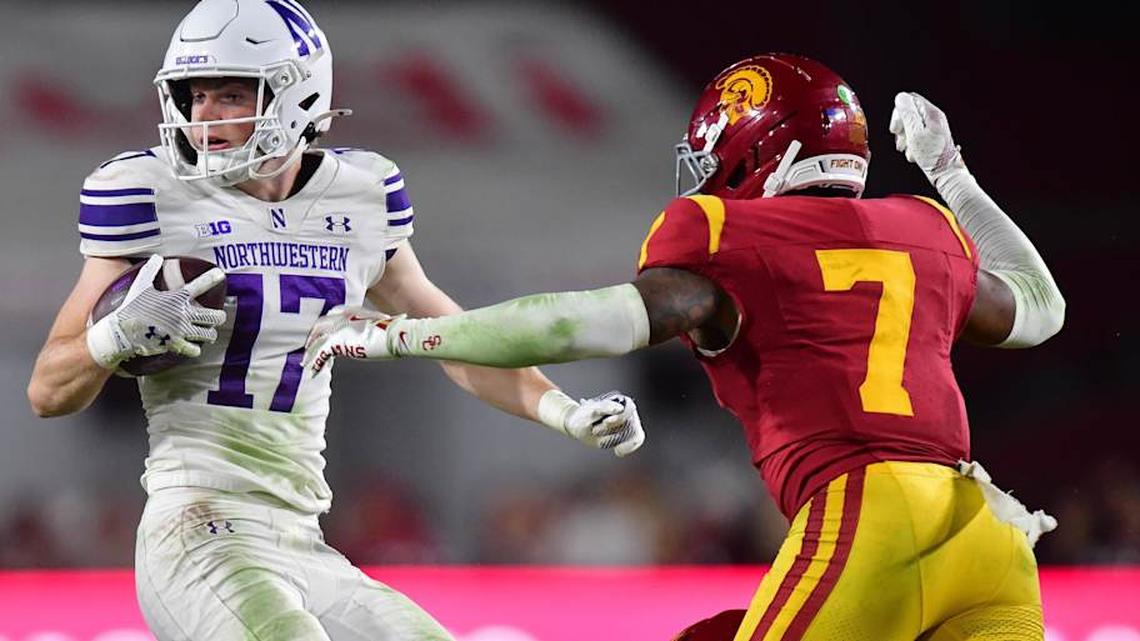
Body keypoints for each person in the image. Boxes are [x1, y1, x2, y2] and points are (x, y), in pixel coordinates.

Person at [304, 53, 1066, 640]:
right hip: (990, 535)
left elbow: (575, 323)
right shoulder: (925, 228)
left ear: (758, 151)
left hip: (873, 514)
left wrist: (397, 335)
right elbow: (1041, 307)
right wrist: (952, 174)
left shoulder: (729, 233)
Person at [26, 1, 644, 639]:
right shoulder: (146, 191)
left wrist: (563, 412)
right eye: (195, 95)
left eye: (230, 95)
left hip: (301, 538)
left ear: (297, 96)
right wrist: (112, 337)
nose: (203, 117)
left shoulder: (361, 193)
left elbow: (455, 342)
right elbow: (47, 390)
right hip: (198, 527)